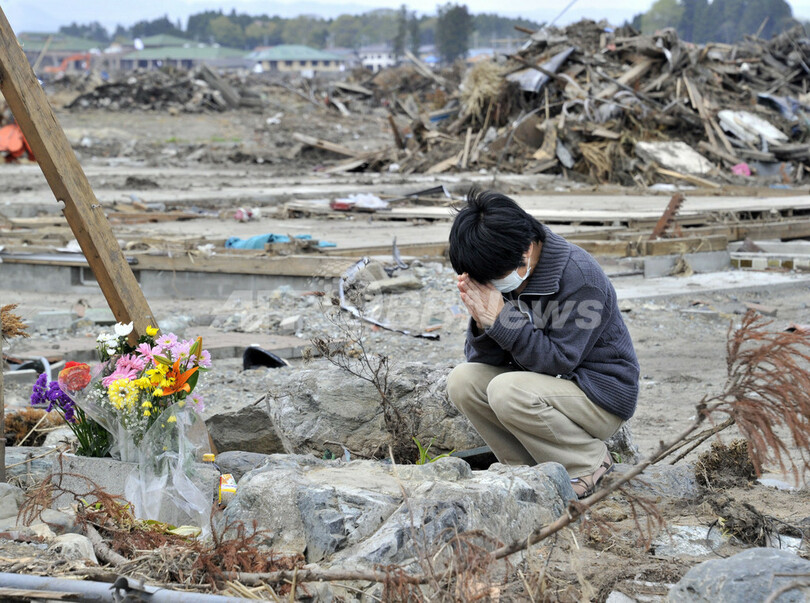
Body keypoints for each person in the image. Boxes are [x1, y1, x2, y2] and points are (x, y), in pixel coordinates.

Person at [446, 190, 640, 498]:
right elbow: (483, 360)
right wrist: (484, 321)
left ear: (525, 252)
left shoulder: (578, 276)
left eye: (495, 279)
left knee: (507, 390)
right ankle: (523, 468)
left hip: (599, 396)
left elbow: (558, 361)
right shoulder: (503, 270)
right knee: (462, 381)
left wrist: (502, 320)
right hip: (548, 388)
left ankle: (588, 463)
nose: (495, 287)